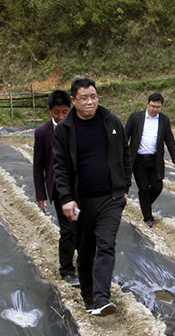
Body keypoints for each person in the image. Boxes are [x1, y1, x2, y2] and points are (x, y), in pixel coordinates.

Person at [53, 78, 132, 316]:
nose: (90, 102)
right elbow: (60, 168)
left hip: (110, 198)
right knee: (86, 250)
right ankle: (89, 296)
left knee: (106, 245)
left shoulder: (112, 122)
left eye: (94, 97)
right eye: (85, 98)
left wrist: (124, 187)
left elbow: (125, 155)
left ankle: (102, 298)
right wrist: (66, 198)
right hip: (81, 200)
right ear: (73, 100)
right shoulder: (65, 130)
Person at [33, 89, 79, 287]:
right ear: (49, 110)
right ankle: (67, 269)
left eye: (65, 112)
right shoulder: (43, 132)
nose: (61, 116)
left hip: (80, 186)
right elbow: (38, 165)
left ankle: (86, 265)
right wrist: (41, 193)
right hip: (59, 188)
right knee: (68, 229)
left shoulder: (77, 126)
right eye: (56, 112)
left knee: (82, 228)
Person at [124, 92, 175, 227]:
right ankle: (148, 217)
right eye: (153, 106)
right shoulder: (135, 117)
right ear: (147, 104)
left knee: (157, 187)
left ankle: (145, 205)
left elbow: (170, 140)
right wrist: (122, 156)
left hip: (155, 160)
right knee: (143, 188)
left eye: (158, 107)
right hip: (139, 160)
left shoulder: (164, 120)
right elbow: (125, 136)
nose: (155, 109)